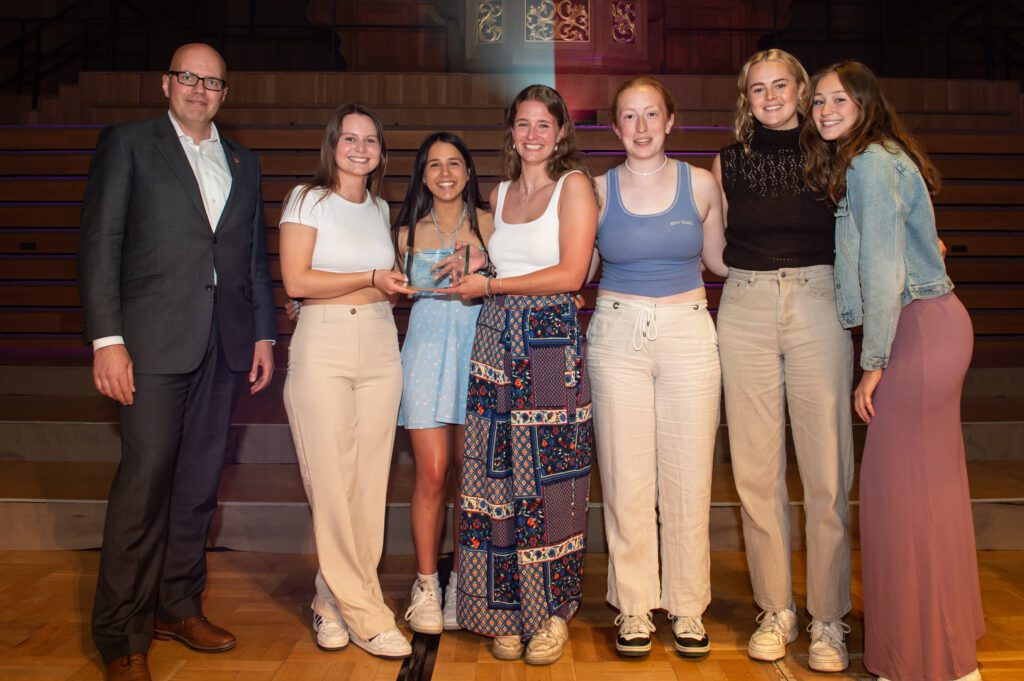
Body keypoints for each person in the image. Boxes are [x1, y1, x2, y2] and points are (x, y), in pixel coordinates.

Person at [78, 43, 276, 681]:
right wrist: (107, 340)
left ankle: (178, 604)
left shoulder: (244, 163)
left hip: (224, 347)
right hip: (152, 346)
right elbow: (101, 244)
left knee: (196, 489)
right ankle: (120, 635)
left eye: (212, 82)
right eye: (189, 77)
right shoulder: (129, 145)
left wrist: (264, 337)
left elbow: (250, 261)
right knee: (143, 490)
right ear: (167, 82)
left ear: (226, 93)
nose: (199, 89)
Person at [804, 60, 984, 681]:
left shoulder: (870, 164)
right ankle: (939, 652)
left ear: (866, 104)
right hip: (928, 324)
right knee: (920, 497)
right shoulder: (882, 157)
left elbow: (884, 272)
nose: (826, 110)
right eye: (819, 101)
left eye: (839, 100)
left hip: (915, 331)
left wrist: (872, 363)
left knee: (905, 501)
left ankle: (927, 660)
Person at [711, 49, 855, 671]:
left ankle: (828, 619)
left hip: (818, 303)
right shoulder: (727, 162)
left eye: (780, 85)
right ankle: (778, 608)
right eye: (757, 88)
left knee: (826, 474)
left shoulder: (835, 151)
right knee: (755, 472)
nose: (770, 96)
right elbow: (715, 254)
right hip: (742, 305)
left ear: (801, 89)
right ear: (745, 97)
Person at [447, 84, 597, 666]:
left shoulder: (574, 185)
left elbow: (570, 273)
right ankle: (505, 610)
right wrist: (479, 266)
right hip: (495, 336)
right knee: (495, 478)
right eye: (523, 124)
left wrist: (493, 284)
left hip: (549, 340)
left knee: (550, 484)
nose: (532, 135)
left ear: (561, 132)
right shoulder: (501, 190)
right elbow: (506, 259)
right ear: (511, 130)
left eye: (544, 124)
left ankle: (551, 613)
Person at [587, 76, 726, 659]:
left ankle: (689, 608)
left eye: (651, 115)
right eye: (628, 116)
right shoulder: (594, 190)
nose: (640, 128)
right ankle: (635, 605)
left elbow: (720, 261)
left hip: (689, 331)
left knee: (689, 478)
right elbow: (580, 268)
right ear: (616, 127)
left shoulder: (701, 185)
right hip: (616, 333)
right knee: (625, 477)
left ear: (671, 121)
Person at [279, 103, 415, 660]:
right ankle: (366, 612)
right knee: (332, 485)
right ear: (332, 143)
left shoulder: (381, 207)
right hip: (325, 345)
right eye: (350, 139)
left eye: (371, 140)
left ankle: (329, 599)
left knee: (367, 485)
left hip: (382, 344)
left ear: (381, 150)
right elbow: (297, 279)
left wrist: (394, 287)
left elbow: (380, 283)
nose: (361, 148)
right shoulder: (307, 199)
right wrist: (371, 277)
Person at [393, 132, 494, 634]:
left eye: (455, 162)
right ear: (423, 174)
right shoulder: (405, 232)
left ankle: (463, 583)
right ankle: (427, 583)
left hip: (478, 355)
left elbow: (521, 277)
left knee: (468, 478)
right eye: (434, 165)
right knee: (432, 473)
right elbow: (371, 282)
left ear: (470, 171)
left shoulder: (491, 224)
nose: (446, 172)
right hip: (427, 357)